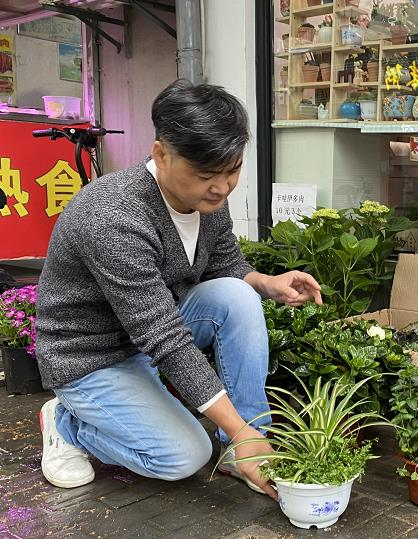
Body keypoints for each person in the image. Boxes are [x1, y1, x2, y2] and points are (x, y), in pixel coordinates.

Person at [35, 79, 321, 499]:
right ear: (161, 154)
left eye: (232, 170)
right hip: (92, 357)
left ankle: (244, 452)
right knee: (182, 457)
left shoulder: (206, 200)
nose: (222, 187)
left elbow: (224, 265)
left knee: (236, 295)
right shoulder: (113, 217)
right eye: (207, 175)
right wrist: (235, 427)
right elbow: (164, 338)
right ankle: (68, 424)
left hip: (146, 341)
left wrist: (265, 283)